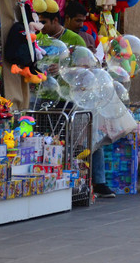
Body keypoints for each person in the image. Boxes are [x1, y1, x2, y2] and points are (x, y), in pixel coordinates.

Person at [40, 10, 115, 198]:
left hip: (73, 99)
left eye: (43, 22)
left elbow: (90, 67)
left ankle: (98, 182)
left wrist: (64, 68)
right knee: (51, 140)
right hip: (46, 95)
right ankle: (54, 177)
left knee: (90, 140)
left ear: (55, 20)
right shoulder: (39, 38)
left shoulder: (76, 40)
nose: (40, 26)